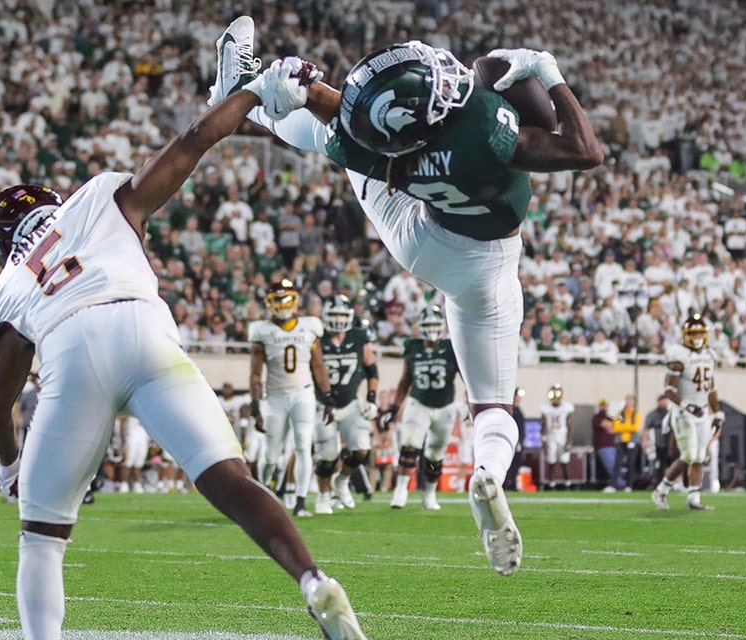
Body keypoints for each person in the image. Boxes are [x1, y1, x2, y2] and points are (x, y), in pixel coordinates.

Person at [0, 63, 371, 640]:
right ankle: (314, 580)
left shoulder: (4, 288)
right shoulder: (96, 198)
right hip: (146, 329)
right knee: (232, 481)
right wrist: (251, 92)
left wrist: (8, 465)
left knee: (42, 539)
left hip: (70, 350)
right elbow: (191, 142)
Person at [212, 17, 602, 575]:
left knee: (333, 139)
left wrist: (290, 84)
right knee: (494, 405)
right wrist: (551, 73)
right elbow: (586, 152)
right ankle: (488, 473)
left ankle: (246, 96)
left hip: (415, 232)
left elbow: (337, 110)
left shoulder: (383, 138)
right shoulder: (482, 127)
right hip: (487, 265)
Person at [248, 278, 337, 517]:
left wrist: (327, 397)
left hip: (303, 393)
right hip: (275, 396)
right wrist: (256, 404)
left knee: (303, 445)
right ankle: (264, 491)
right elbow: (255, 373)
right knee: (270, 454)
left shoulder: (309, 326)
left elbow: (319, 366)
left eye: (285, 299)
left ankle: (300, 501)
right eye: (277, 300)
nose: (282, 304)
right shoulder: (262, 330)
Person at [380, 305, 459, 511]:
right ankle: (401, 490)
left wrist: (471, 402)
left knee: (435, 454)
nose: (432, 328)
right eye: (428, 325)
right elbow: (405, 381)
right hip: (419, 403)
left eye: (435, 324)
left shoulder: (452, 347)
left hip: (445, 406)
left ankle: (430, 494)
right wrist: (394, 407)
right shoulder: (413, 346)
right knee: (410, 445)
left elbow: (467, 377)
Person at [312, 295, 379, 514]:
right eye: (335, 315)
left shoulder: (359, 337)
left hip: (350, 404)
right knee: (328, 456)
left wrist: (371, 397)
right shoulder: (317, 338)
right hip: (324, 405)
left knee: (361, 451)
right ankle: (323, 496)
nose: (339, 320)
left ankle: (341, 481)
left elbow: (371, 369)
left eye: (342, 315)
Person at [651, 313, 722, 510]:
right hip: (682, 412)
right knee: (690, 456)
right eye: (693, 332)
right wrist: (686, 406)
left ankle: (693, 499)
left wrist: (717, 413)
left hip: (702, 411)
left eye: (700, 332)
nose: (697, 336)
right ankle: (661, 491)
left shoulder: (709, 355)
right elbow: (669, 390)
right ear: (685, 334)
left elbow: (712, 389)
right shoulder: (679, 355)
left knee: (699, 456)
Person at [540, 383, 575, 489]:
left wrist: (569, 441)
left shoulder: (566, 407)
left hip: (562, 435)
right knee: (551, 460)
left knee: (565, 460)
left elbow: (569, 426)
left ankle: (568, 482)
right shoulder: (545, 408)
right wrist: (543, 440)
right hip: (551, 435)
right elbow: (543, 425)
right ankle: (551, 483)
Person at [611, 395, 642, 492]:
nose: (629, 402)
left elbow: (635, 428)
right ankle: (613, 485)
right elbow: (616, 427)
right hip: (621, 441)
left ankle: (629, 485)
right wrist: (628, 427)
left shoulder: (637, 414)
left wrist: (623, 427)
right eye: (628, 400)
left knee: (630, 463)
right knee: (617, 463)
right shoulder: (619, 413)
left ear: (634, 402)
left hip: (632, 441)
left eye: (631, 400)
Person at [642, 395, 671, 486]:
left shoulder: (670, 413)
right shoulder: (653, 414)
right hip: (658, 443)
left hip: (670, 443)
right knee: (659, 464)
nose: (663, 403)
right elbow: (646, 428)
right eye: (661, 400)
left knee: (671, 463)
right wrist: (645, 440)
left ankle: (672, 482)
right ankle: (659, 482)